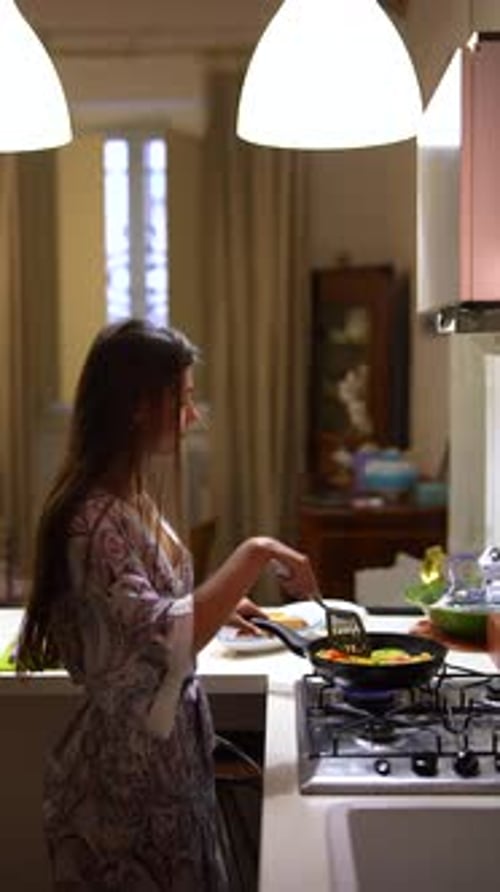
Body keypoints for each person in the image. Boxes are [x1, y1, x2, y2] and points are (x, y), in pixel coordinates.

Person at [16, 319, 318, 892]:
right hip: (124, 782)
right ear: (137, 406)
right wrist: (256, 551)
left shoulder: (128, 497)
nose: (192, 415)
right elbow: (166, 633)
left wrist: (222, 605)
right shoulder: (90, 520)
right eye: (182, 399)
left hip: (164, 762)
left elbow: (149, 609)